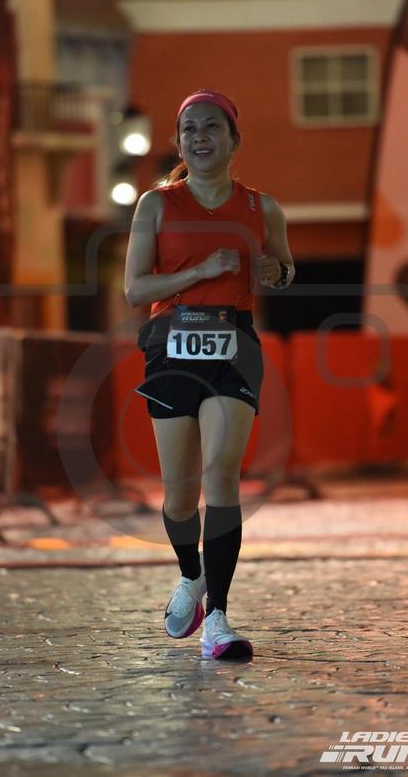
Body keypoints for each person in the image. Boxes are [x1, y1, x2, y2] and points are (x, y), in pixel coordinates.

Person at [124, 89, 295, 660]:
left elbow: (284, 268)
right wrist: (199, 270)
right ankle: (190, 574)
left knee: (221, 475)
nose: (200, 137)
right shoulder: (155, 205)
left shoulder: (262, 208)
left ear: (233, 140)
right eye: (190, 129)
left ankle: (218, 618)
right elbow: (135, 289)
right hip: (169, 345)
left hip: (233, 344)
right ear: (179, 143)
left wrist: (275, 272)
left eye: (212, 127)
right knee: (178, 494)